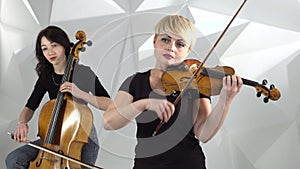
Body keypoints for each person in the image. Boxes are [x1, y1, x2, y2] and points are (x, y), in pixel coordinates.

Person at [103, 14, 243, 169]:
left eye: (180, 44)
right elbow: (108, 122)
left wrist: (225, 101)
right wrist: (144, 104)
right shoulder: (136, 81)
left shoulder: (195, 82)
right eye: (165, 39)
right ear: (154, 40)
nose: (171, 47)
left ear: (188, 51)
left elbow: (203, 134)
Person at [5, 25, 112, 169]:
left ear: (64, 45)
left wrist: (81, 94)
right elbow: (30, 106)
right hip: (52, 137)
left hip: (82, 138)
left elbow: (109, 104)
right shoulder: (46, 77)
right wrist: (22, 122)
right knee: (14, 160)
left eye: (54, 45)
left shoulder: (84, 73)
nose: (50, 52)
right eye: (45, 48)